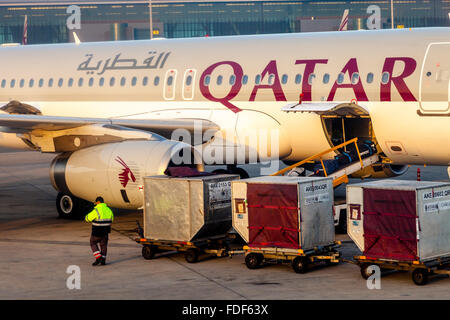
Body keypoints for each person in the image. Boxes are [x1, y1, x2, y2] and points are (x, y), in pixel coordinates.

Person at [85, 196, 114, 266]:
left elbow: (87, 218)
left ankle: (98, 258)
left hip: (97, 232)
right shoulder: (108, 210)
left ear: (98, 202)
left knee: (93, 242)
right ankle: (103, 260)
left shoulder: (96, 210)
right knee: (103, 245)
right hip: (105, 232)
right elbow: (112, 219)